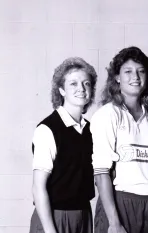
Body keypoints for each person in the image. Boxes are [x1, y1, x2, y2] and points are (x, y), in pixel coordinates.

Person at [90, 46, 148, 233]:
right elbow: (100, 173)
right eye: (128, 71)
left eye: (141, 71)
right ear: (117, 77)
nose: (135, 77)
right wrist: (114, 223)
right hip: (121, 203)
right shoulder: (108, 114)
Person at [29, 57, 98, 233]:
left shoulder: (92, 130)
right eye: (73, 84)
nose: (81, 89)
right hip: (54, 217)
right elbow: (38, 188)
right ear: (61, 90)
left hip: (83, 215)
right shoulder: (47, 129)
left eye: (86, 83)